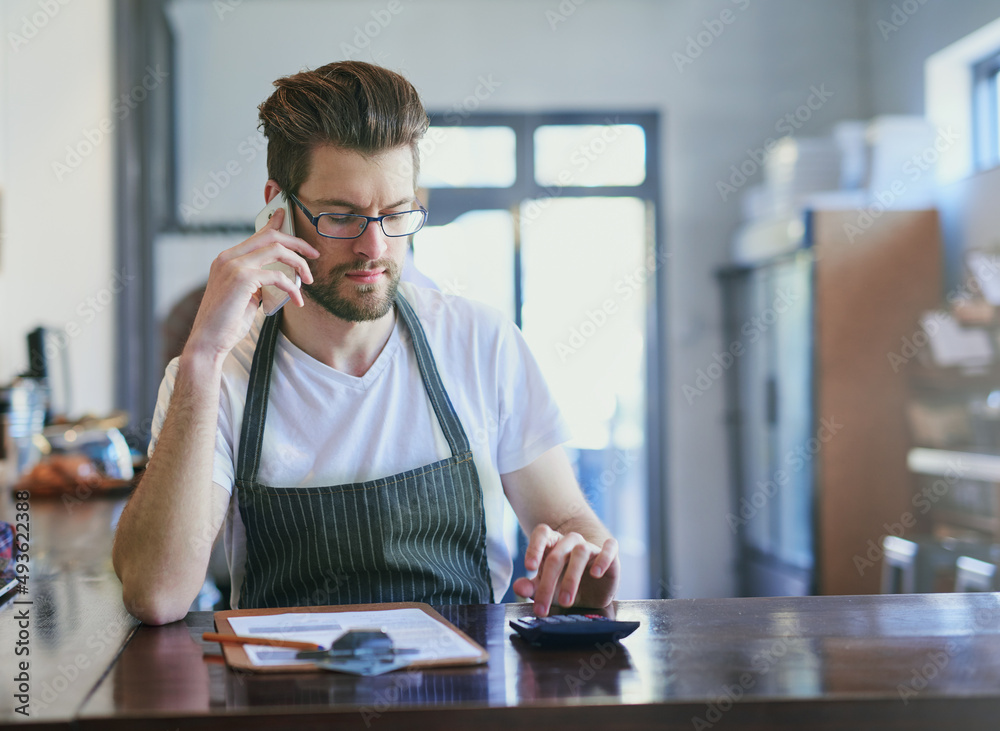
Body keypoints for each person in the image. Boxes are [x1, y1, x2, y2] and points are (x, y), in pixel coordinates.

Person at [112, 61, 619, 625]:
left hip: (464, 702)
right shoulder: (220, 376)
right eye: (341, 217)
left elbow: (572, 525)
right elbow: (155, 596)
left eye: (396, 213)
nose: (374, 247)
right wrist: (202, 356)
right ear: (278, 210)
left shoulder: (481, 342)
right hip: (285, 707)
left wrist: (584, 560)